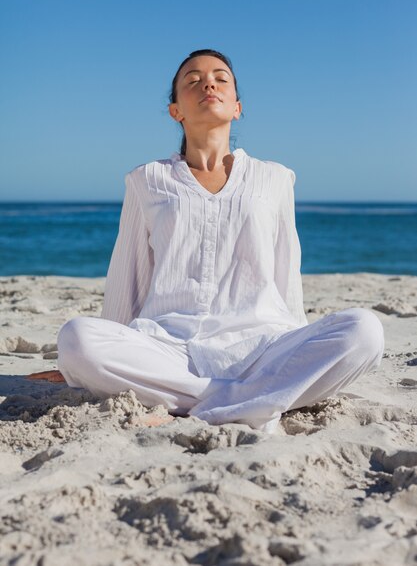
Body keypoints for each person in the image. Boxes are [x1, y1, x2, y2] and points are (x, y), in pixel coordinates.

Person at [35, 49, 385, 434]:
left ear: (237, 106)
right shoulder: (147, 180)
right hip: (169, 349)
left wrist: (299, 348)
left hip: (262, 347)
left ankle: (201, 404)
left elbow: (287, 273)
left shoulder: (275, 178)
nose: (208, 83)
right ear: (176, 111)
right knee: (75, 338)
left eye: (221, 78)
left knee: (365, 330)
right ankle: (249, 401)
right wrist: (94, 360)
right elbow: (128, 276)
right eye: (192, 79)